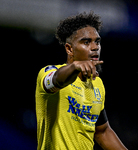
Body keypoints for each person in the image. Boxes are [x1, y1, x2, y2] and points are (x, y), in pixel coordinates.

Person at [35, 12, 128, 150]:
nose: (95, 47)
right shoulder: (49, 72)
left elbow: (102, 132)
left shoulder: (97, 84)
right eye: (86, 42)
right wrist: (74, 67)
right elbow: (56, 80)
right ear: (69, 49)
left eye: (97, 41)